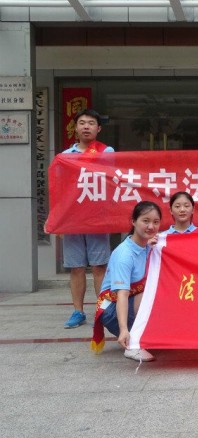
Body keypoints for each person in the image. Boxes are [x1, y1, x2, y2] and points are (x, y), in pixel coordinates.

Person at [61, 109, 114, 329]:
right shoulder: (65, 155)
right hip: (72, 218)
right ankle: (78, 311)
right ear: (75, 128)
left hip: (97, 217)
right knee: (76, 267)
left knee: (100, 266)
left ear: (98, 128)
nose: (86, 126)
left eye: (91, 123)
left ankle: (102, 310)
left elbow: (113, 182)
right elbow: (60, 188)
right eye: (82, 123)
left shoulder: (107, 152)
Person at [90, 201, 162, 362]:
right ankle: (133, 344)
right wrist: (123, 330)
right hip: (113, 310)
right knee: (147, 294)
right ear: (133, 221)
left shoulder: (150, 246)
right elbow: (122, 294)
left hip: (131, 302)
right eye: (145, 221)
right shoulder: (124, 254)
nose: (151, 226)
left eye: (156, 222)